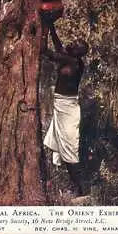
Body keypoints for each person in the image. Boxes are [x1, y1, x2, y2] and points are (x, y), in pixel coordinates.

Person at [41, 21, 91, 200]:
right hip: (63, 106)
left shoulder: (70, 60)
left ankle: (82, 192)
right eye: (74, 41)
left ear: (78, 53)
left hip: (67, 110)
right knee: (65, 149)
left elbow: (47, 52)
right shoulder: (71, 59)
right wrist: (51, 26)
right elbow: (59, 46)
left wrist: (41, 28)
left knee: (69, 150)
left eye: (76, 45)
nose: (72, 43)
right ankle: (78, 189)